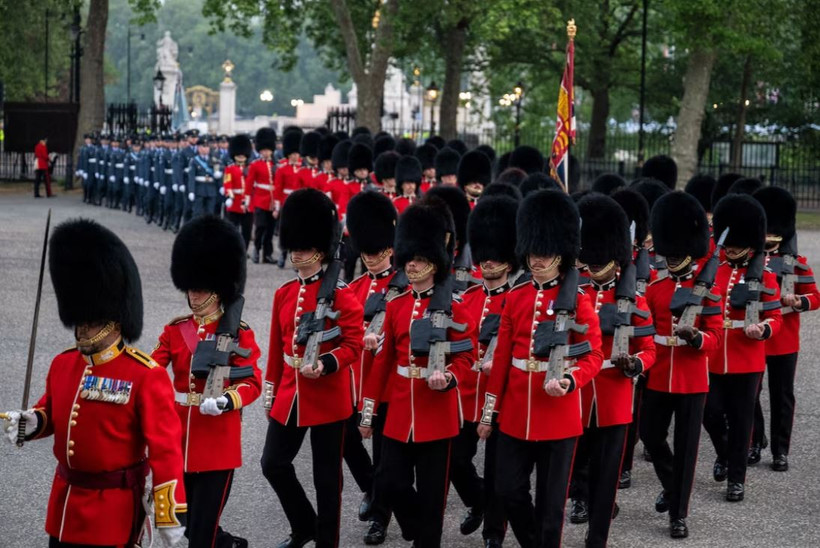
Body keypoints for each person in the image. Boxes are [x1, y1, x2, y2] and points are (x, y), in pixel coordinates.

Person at [3, 219, 187, 547]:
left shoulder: (146, 375)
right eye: (79, 321)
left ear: (115, 321)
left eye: (92, 322)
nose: (82, 330)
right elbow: (54, 411)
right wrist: (34, 421)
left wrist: (167, 512)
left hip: (111, 514)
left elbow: (166, 450)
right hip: (64, 506)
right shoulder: (64, 363)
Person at [478, 189, 603, 548]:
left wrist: (569, 379)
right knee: (507, 489)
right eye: (532, 252)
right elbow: (501, 361)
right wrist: (490, 413)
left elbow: (592, 355)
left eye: (544, 253)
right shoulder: (516, 297)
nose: (536, 260)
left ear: (560, 254)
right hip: (516, 413)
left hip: (559, 415)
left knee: (551, 507)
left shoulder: (577, 300)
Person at [358, 200, 476, 548]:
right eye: (409, 259)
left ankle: (427, 539)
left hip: (436, 414)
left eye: (420, 260)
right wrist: (368, 412)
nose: (411, 265)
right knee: (390, 481)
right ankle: (416, 528)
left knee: (432, 495)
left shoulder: (456, 306)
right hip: (398, 411)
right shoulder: (397, 305)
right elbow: (383, 362)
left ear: (435, 262)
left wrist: (451, 377)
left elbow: (467, 358)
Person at [261, 188, 364, 548]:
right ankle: (304, 524)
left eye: (303, 247)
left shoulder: (343, 293)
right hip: (291, 392)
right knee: (272, 463)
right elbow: (277, 348)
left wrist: (326, 363)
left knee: (326, 479)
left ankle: (327, 541)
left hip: (329, 395)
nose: (296, 252)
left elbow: (353, 345)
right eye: (294, 246)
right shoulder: (285, 293)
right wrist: (271, 389)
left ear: (320, 250)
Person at [152, 215, 262, 548]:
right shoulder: (175, 330)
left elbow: (253, 380)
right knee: (181, 523)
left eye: (200, 288)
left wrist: (228, 399)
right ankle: (229, 544)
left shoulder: (237, 334)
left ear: (218, 288)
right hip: (178, 439)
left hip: (217, 443)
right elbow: (151, 370)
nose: (193, 294)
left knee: (201, 534)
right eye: (191, 287)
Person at [570, 194, 656, 547]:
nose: (590, 267)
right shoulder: (573, 292)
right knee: (577, 465)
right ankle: (582, 499)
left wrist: (635, 364)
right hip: (577, 390)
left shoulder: (632, 299)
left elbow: (649, 349)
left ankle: (597, 537)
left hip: (614, 394)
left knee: (607, 474)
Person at [641, 191, 723, 539]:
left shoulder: (708, 291)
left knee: (688, 448)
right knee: (650, 435)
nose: (672, 258)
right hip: (659, 372)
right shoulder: (656, 289)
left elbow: (715, 337)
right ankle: (673, 484)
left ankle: (679, 514)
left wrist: (695, 338)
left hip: (692, 377)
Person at [703, 194, 782, 502]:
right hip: (713, 356)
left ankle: (737, 479)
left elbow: (774, 317)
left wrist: (762, 329)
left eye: (738, 242)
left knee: (740, 420)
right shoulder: (714, 271)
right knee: (710, 413)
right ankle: (724, 453)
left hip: (746, 358)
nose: (731, 247)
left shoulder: (766, 276)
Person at [346, 190, 406, 545]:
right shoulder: (353, 288)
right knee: (349, 445)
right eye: (366, 252)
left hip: (386, 387)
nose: (370, 259)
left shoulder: (401, 288)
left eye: (377, 251)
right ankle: (371, 489)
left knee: (384, 457)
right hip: (356, 383)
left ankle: (380, 519)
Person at [461, 195, 519, 548]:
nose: (487, 261)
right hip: (468, 394)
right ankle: (477, 500)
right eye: (483, 254)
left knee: (499, 470)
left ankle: (494, 532)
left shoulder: (518, 298)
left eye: (495, 255)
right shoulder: (467, 298)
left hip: (503, 396)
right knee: (454, 459)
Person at [751, 186, 819, 471]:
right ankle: (755, 440)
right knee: (750, 394)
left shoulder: (797, 264)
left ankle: (780, 450)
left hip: (784, 339)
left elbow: (815, 296)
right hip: (754, 337)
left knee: (782, 395)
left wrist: (798, 300)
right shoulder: (749, 263)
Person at [247, 127, 278, 264]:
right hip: (260, 200)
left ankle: (267, 254)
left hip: (272, 201)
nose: (266, 153)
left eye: (268, 150)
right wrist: (247, 200)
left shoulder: (276, 165)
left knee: (270, 230)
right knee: (260, 227)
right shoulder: (255, 165)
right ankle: (256, 250)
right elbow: (249, 184)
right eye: (263, 150)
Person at [223, 134, 254, 250]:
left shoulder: (251, 168)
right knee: (233, 229)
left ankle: (244, 249)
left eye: (243, 153)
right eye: (238, 153)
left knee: (247, 230)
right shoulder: (229, 168)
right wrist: (230, 196)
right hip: (235, 202)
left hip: (248, 203)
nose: (241, 155)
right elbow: (227, 183)